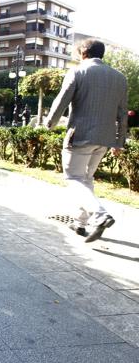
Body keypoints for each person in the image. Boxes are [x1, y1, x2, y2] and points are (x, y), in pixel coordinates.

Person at [45, 39, 128, 243]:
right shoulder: (119, 78)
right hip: (105, 139)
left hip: (80, 136)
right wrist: (119, 142)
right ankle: (81, 222)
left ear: (83, 53)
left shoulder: (78, 71)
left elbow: (61, 100)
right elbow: (123, 113)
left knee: (73, 178)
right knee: (86, 180)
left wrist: (49, 124)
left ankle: (99, 216)